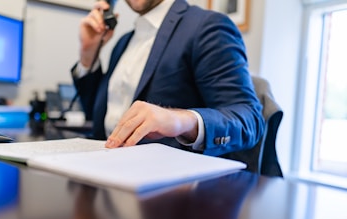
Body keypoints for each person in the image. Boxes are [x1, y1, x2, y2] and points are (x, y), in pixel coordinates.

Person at [71, 0, 264, 157]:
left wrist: (180, 120)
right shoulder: (122, 44)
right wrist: (88, 55)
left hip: (174, 193)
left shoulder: (207, 27)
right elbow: (98, 120)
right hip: (105, 173)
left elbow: (250, 121)